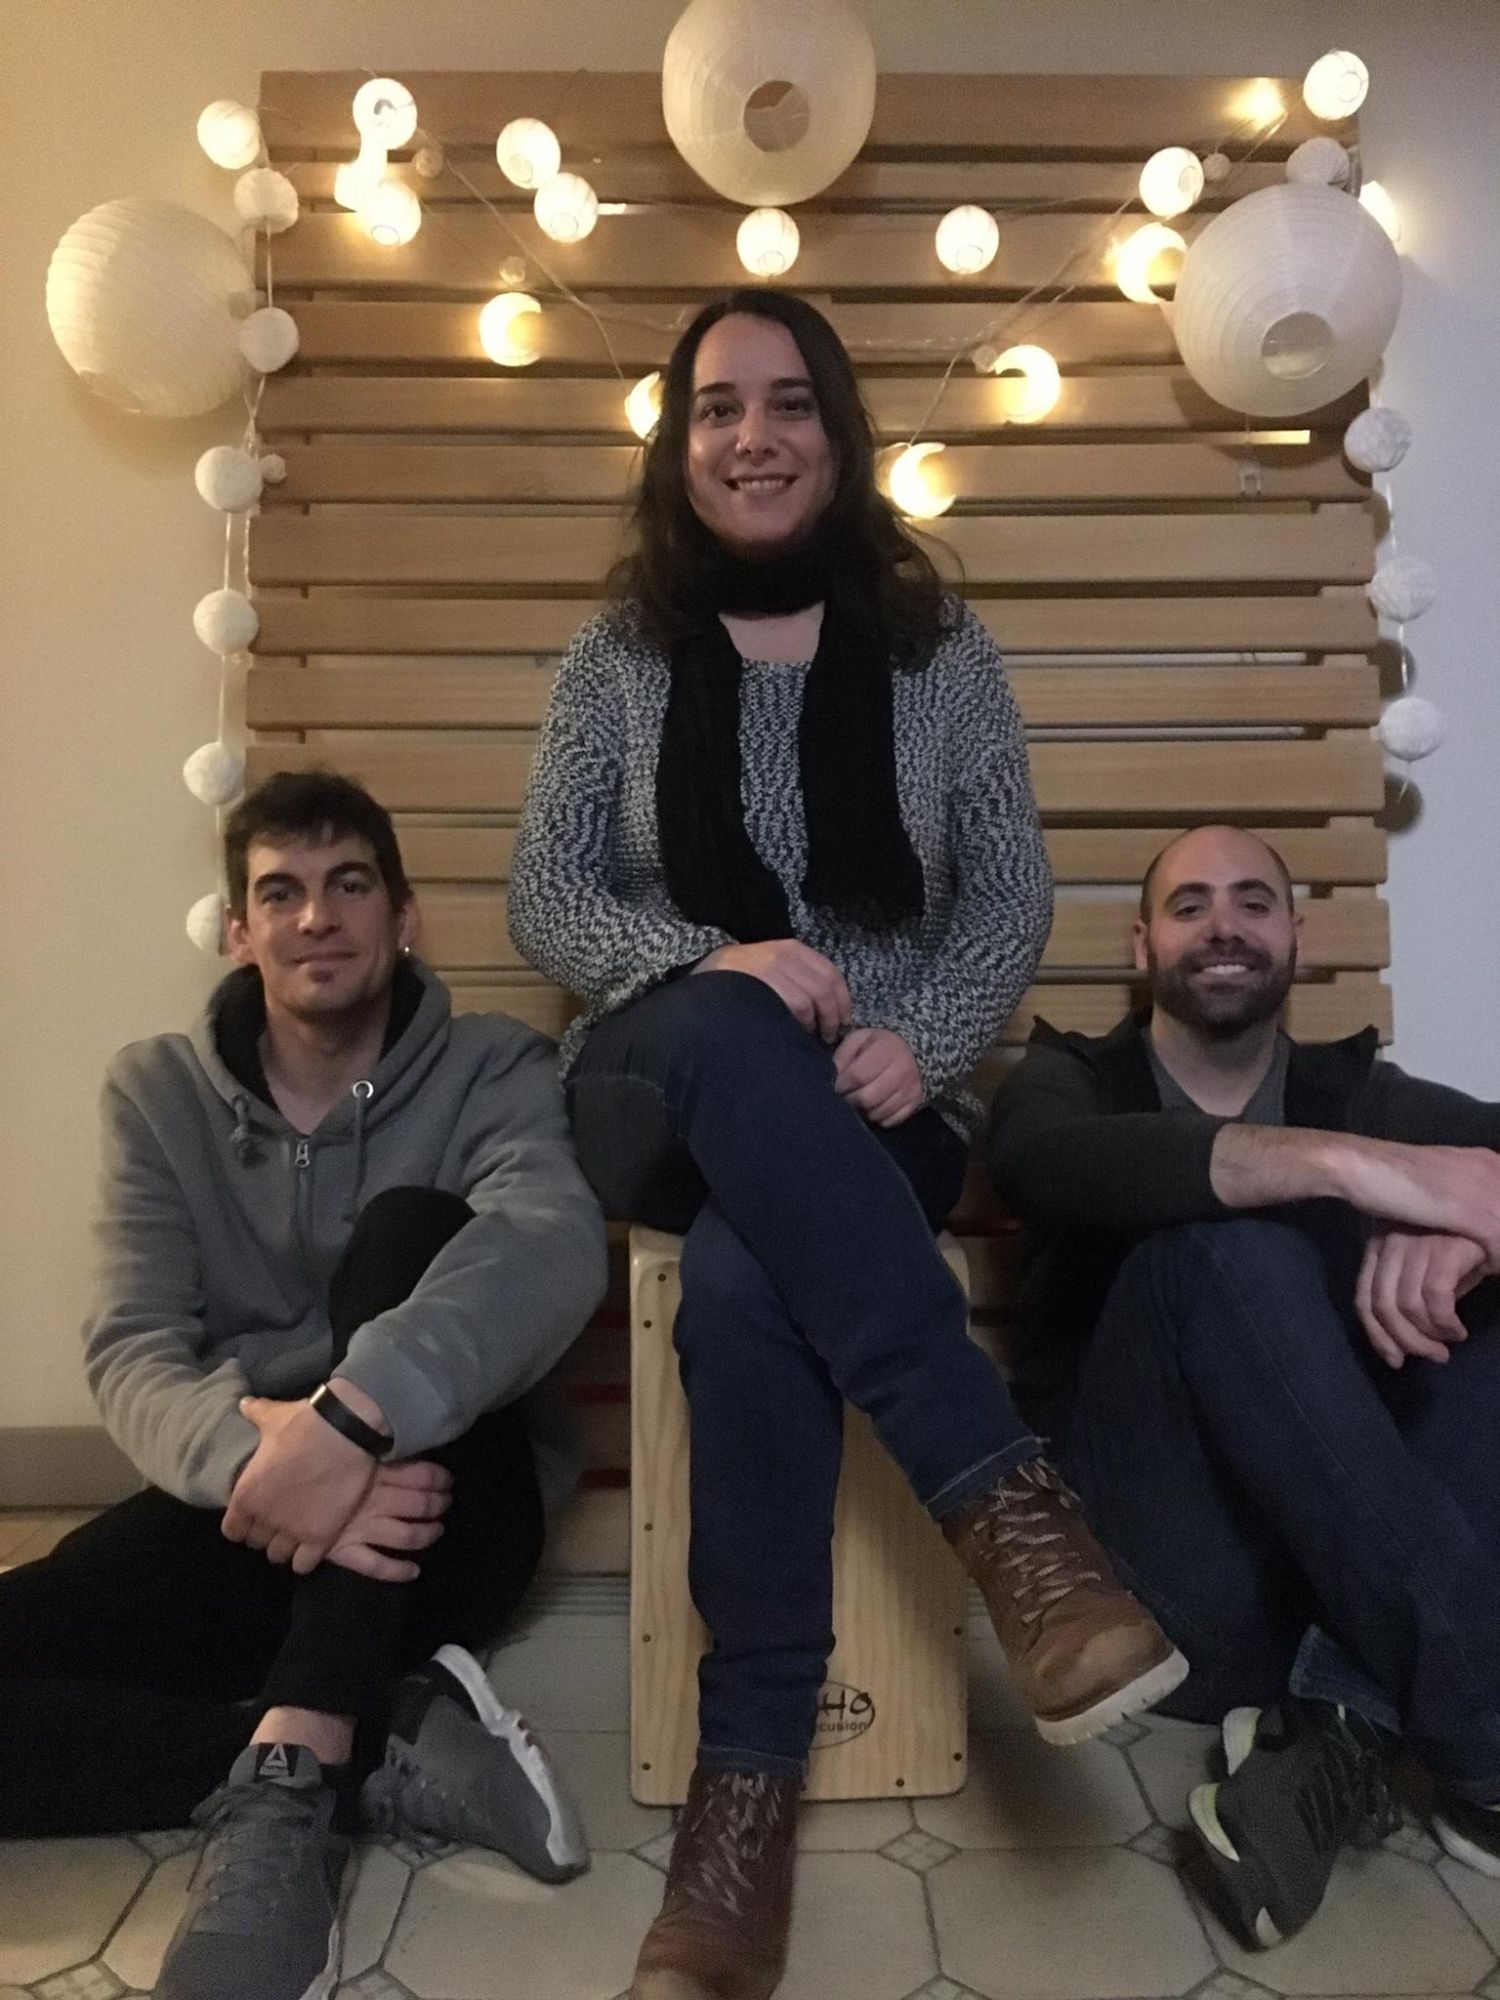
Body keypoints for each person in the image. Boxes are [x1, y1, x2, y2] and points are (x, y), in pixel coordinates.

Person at [509, 288, 1188, 2000]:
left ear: (838, 430)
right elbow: (547, 894)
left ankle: (741, 1801)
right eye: (717, 407)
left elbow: (1010, 896)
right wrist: (712, 962)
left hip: (877, 1105)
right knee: (734, 1041)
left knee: (754, 1281)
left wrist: (925, 1044)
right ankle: (1010, 1510)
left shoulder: (944, 655)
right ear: (680, 446)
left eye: (788, 402)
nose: (753, 436)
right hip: (658, 1077)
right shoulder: (616, 655)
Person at [0, 770, 608, 2000]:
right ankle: (370, 1743)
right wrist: (275, 1459)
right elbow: (133, 1344)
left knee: (411, 1230)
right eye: (280, 892)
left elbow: (551, 1243)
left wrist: (350, 1417)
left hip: (450, 1499)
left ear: (403, 916)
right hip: (254, 1502)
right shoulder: (156, 1093)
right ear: (240, 929)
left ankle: (296, 1770)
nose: (316, 916)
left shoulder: (494, 1064)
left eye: (349, 885)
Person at [987, 821, 1500, 1951]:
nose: (1224, 925)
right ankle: (1482, 1722)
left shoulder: (1356, 1090)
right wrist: (1343, 1168)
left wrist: (1467, 1234)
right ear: (1144, 946)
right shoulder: (1076, 1079)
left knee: (1480, 1293)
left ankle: (1342, 1716)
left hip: (1347, 1586)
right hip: (1171, 1597)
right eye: (1191, 905)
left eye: (1254, 901)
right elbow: (1036, 1161)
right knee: (1217, 1250)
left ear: (1295, 936)